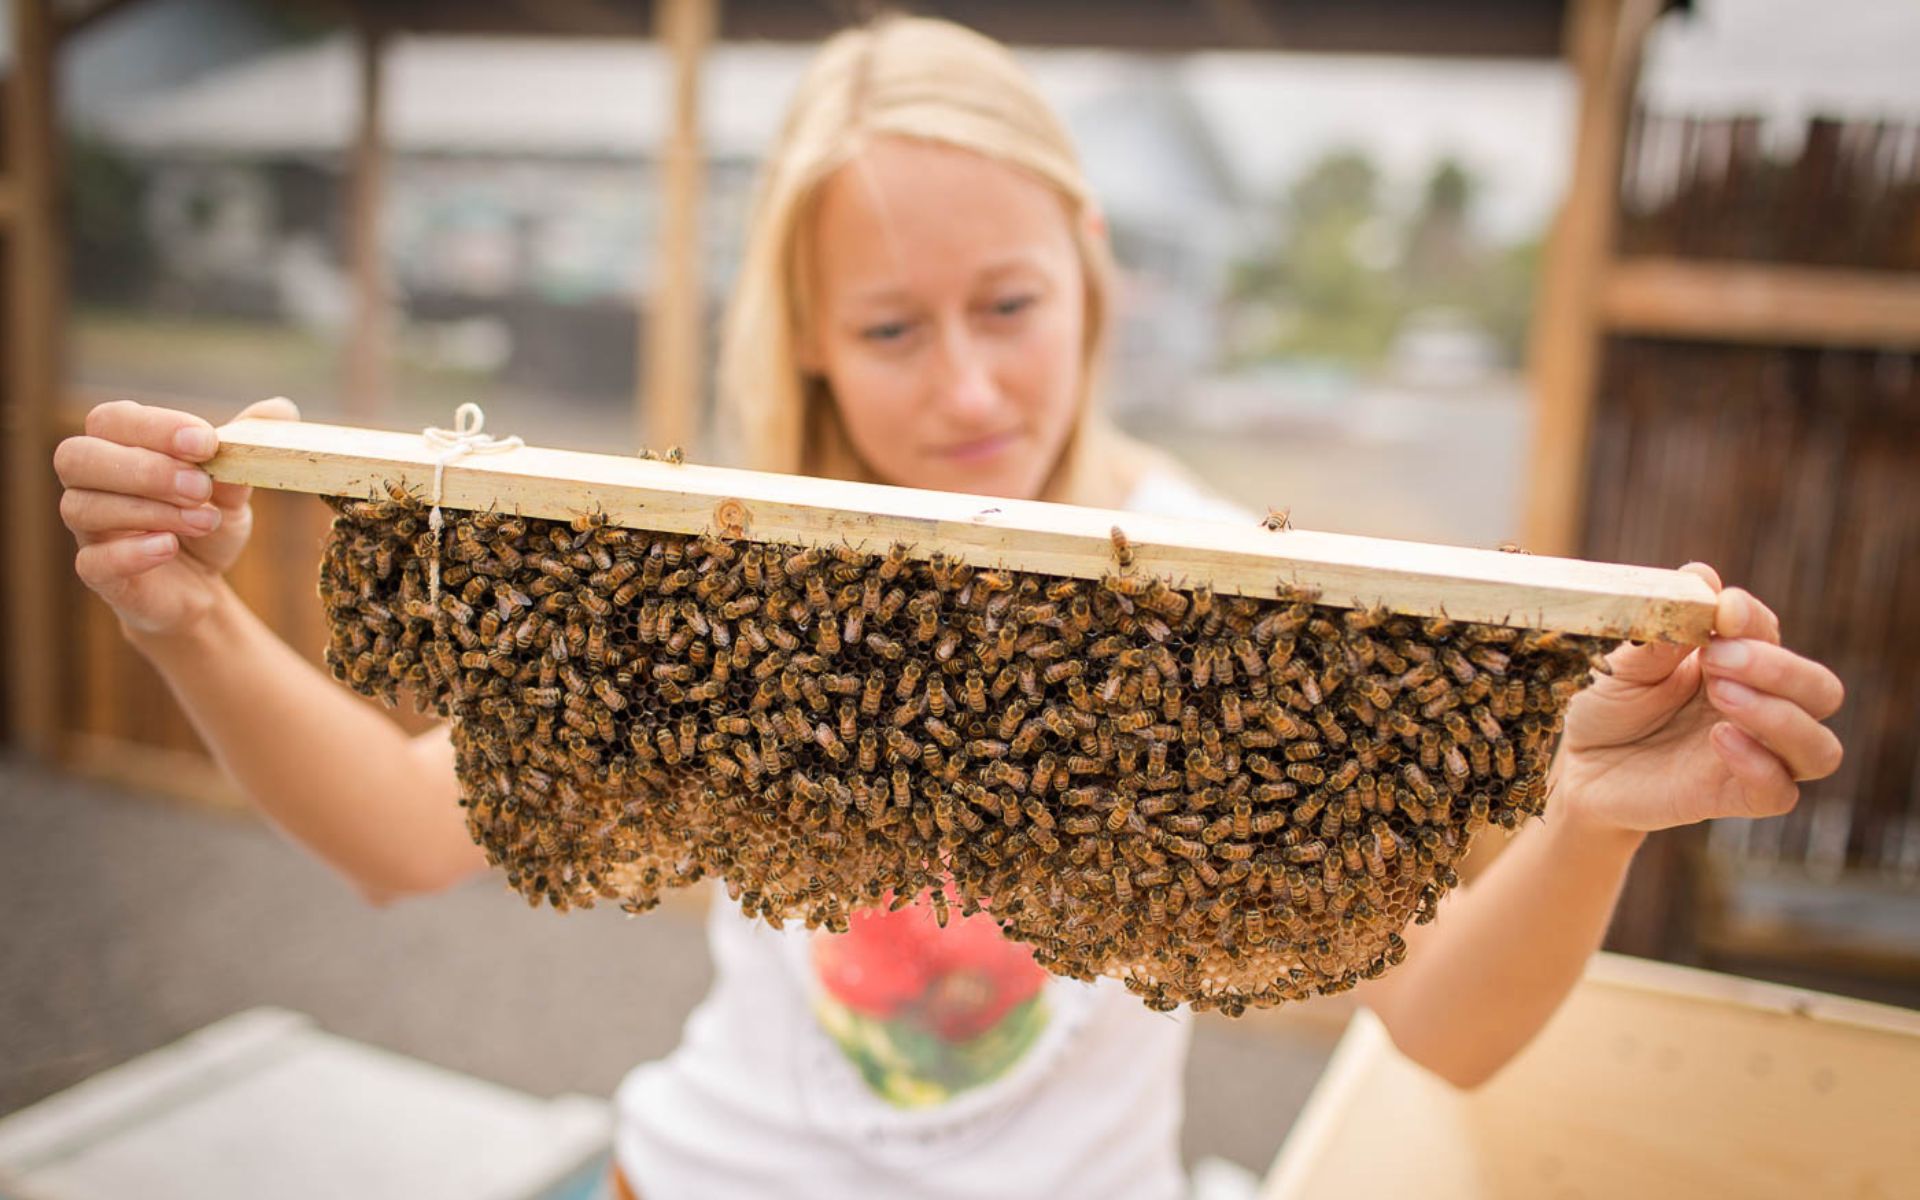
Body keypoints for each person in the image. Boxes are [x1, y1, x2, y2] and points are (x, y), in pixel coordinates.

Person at [53, 16, 1847, 1200]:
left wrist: (1592, 817)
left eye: (1008, 304)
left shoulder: (1220, 584)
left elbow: (1443, 1025)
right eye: (893, 328)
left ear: (1093, 273)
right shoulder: (734, 575)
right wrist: (179, 616)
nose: (968, 384)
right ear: (811, 341)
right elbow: (400, 839)